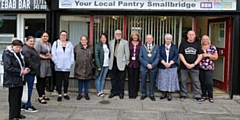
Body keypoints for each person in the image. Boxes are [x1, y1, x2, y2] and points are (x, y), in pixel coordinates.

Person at [2, 40, 28, 120]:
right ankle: (12, 116)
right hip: (12, 79)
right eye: (17, 47)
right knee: (13, 98)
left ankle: (17, 113)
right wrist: (20, 72)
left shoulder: (19, 54)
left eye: (20, 47)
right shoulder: (7, 54)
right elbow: (8, 67)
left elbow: (22, 64)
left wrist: (25, 69)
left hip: (20, 79)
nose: (18, 49)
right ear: (12, 46)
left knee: (18, 97)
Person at [179, 30, 203, 103]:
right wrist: (186, 63)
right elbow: (180, 54)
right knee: (183, 81)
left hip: (195, 67)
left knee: (195, 81)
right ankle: (183, 94)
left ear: (195, 36)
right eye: (189, 34)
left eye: (192, 35)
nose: (191, 36)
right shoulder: (183, 43)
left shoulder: (197, 44)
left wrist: (194, 64)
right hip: (184, 66)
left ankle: (197, 95)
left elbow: (200, 55)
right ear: (187, 35)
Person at [51, 30, 74, 102]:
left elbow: (72, 55)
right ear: (60, 36)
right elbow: (53, 54)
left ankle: (65, 94)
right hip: (58, 66)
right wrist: (56, 63)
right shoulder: (56, 43)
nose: (63, 36)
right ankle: (59, 94)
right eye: (62, 35)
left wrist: (70, 63)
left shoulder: (70, 44)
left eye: (65, 35)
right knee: (59, 81)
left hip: (67, 66)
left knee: (66, 81)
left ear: (66, 36)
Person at [156, 34, 179, 101]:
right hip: (163, 66)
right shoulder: (161, 47)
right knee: (163, 80)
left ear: (171, 40)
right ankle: (164, 93)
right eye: (167, 39)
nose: (168, 40)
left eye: (169, 39)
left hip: (172, 66)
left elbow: (176, 56)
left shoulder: (174, 47)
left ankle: (169, 94)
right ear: (165, 39)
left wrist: (170, 63)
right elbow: (159, 55)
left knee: (170, 80)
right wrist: (164, 63)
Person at [108, 29, 130, 99]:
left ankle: (121, 93)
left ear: (121, 34)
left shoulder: (125, 42)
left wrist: (126, 63)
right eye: (117, 34)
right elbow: (110, 53)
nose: (118, 35)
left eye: (119, 34)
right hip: (113, 64)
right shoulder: (111, 42)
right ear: (115, 35)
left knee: (121, 80)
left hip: (121, 64)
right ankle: (114, 92)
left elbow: (127, 53)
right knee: (113, 79)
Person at [22, 36, 40, 112]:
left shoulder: (31, 48)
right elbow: (28, 61)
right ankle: (27, 105)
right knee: (28, 89)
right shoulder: (26, 49)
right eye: (30, 41)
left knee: (26, 89)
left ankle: (23, 104)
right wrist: (35, 67)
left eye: (33, 41)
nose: (32, 42)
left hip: (31, 72)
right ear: (26, 41)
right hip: (29, 72)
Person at [139, 34, 160, 101]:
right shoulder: (142, 47)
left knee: (152, 81)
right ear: (145, 39)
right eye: (147, 38)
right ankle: (144, 94)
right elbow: (140, 57)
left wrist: (152, 65)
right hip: (144, 67)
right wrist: (147, 64)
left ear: (153, 39)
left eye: (150, 38)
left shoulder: (156, 47)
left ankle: (151, 94)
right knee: (143, 81)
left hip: (153, 67)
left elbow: (158, 57)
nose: (149, 40)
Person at [199, 35, 218, 103]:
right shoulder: (200, 47)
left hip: (209, 67)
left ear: (208, 40)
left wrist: (208, 55)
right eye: (203, 39)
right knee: (202, 82)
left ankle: (211, 96)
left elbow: (216, 57)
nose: (205, 40)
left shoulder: (212, 47)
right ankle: (204, 95)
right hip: (200, 67)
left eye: (206, 39)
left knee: (209, 82)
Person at [34, 31, 52, 104]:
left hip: (47, 63)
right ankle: (40, 96)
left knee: (45, 80)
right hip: (41, 63)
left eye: (47, 36)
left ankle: (43, 94)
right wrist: (45, 57)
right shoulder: (38, 44)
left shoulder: (49, 44)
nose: (45, 38)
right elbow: (36, 53)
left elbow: (50, 52)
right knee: (40, 80)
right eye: (44, 36)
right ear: (41, 37)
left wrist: (50, 56)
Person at [75, 35, 94, 100]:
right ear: (80, 40)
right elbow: (74, 56)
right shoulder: (77, 47)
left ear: (87, 40)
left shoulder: (91, 47)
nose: (83, 41)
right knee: (80, 81)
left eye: (85, 40)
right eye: (82, 40)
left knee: (87, 81)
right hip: (79, 67)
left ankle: (86, 94)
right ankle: (79, 94)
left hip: (88, 67)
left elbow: (93, 57)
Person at [128, 31, 142, 99]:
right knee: (130, 79)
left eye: (136, 35)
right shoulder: (129, 43)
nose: (134, 36)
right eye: (133, 35)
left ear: (138, 36)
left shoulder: (141, 43)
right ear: (131, 36)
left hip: (138, 63)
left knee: (136, 79)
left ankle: (135, 93)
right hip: (130, 63)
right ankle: (130, 93)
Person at [95, 33, 110, 97]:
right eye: (102, 37)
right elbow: (96, 56)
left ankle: (101, 90)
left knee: (103, 78)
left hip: (107, 64)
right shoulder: (98, 45)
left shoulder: (107, 45)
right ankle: (98, 91)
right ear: (100, 38)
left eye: (105, 37)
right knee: (98, 78)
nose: (103, 39)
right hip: (100, 65)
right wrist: (98, 66)